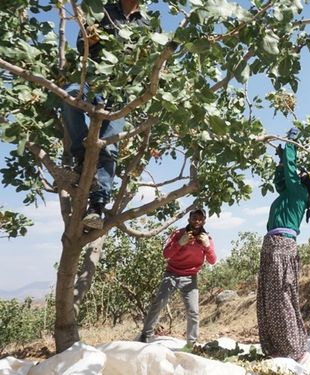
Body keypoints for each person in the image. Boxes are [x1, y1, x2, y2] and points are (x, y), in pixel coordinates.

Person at [59, 0, 150, 229]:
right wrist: (89, 38)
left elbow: (148, 61)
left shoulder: (146, 23)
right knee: (70, 97)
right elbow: (82, 45)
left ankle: (97, 206)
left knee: (109, 145)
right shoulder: (101, 10)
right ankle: (81, 158)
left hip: (120, 89)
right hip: (92, 78)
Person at [256, 127, 310, 362]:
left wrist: (290, 146)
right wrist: (281, 162)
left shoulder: (299, 193)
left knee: (280, 298)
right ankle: (277, 346)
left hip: (280, 247)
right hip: (273, 246)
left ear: (304, 183)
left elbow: (291, 173)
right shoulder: (289, 194)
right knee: (269, 297)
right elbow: (281, 180)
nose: (296, 177)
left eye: (300, 176)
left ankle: (294, 349)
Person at [138, 208, 217, 346]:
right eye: (194, 218)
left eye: (200, 219)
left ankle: (191, 344)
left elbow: (212, 260)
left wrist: (207, 246)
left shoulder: (207, 238)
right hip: (172, 274)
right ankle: (145, 336)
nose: (197, 221)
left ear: (204, 221)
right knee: (158, 303)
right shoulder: (178, 234)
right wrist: (180, 242)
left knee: (193, 311)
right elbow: (166, 254)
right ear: (189, 220)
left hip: (190, 278)